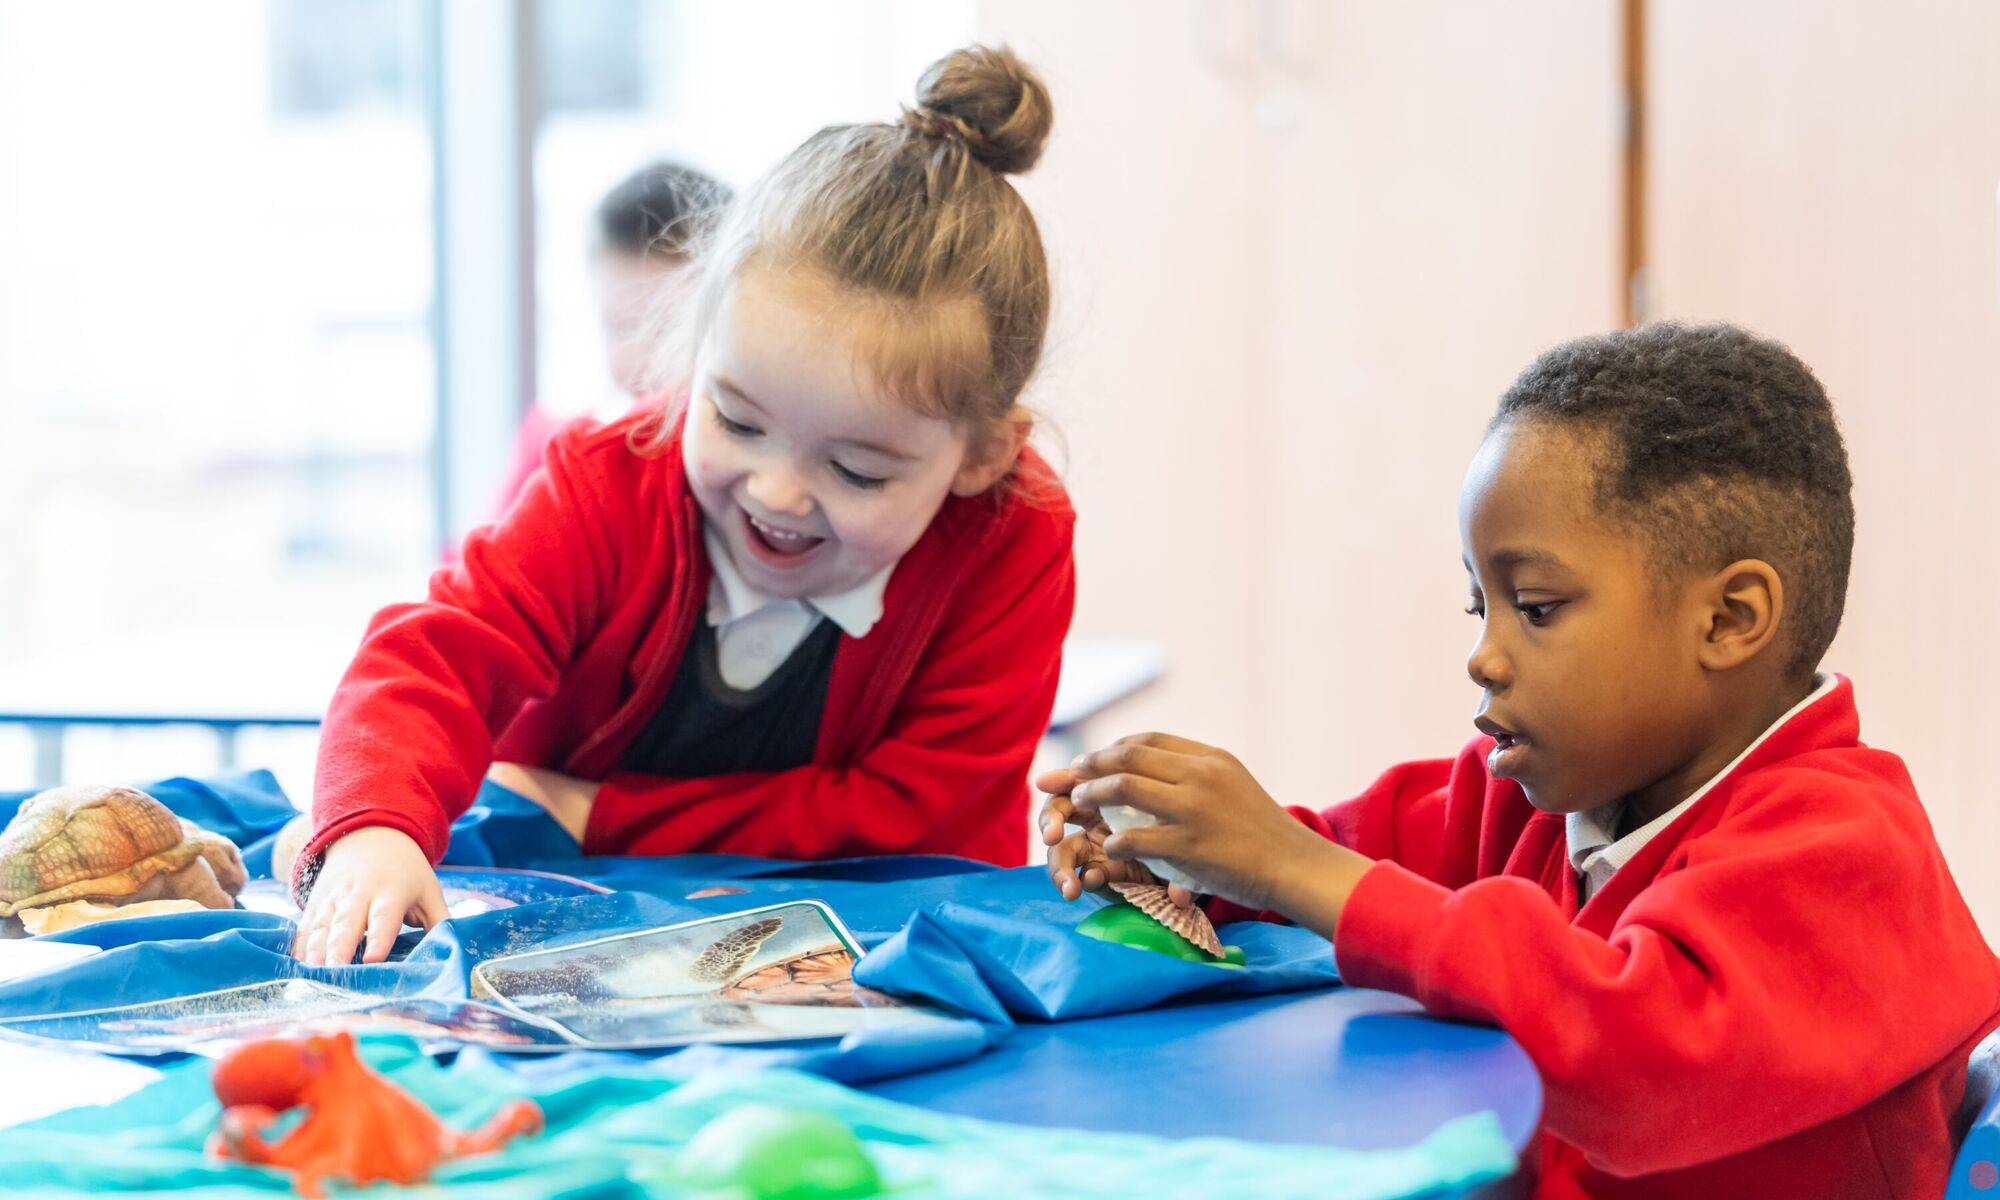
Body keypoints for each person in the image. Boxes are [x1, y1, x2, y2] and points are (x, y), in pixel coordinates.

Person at [1042, 323, 2000, 1198]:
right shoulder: (1540, 790)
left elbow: (1631, 1056)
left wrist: (1297, 869)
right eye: (1480, 608)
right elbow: (1341, 854)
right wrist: (1181, 857)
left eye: (1536, 608)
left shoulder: (1845, 852)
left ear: (1728, 619)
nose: (1485, 655)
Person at [294, 45, 1073, 967]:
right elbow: (433, 656)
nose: (779, 492)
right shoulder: (607, 483)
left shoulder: (1009, 542)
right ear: (694, 351)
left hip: (876, 956)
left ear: (984, 453)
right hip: (561, 931)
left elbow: (917, 820)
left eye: (858, 472)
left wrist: (598, 813)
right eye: (737, 421)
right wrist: (376, 826)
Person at [486, 161, 733, 523]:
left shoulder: (748, 479)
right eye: (619, 327)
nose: (640, 361)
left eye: (667, 330)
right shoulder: (551, 453)